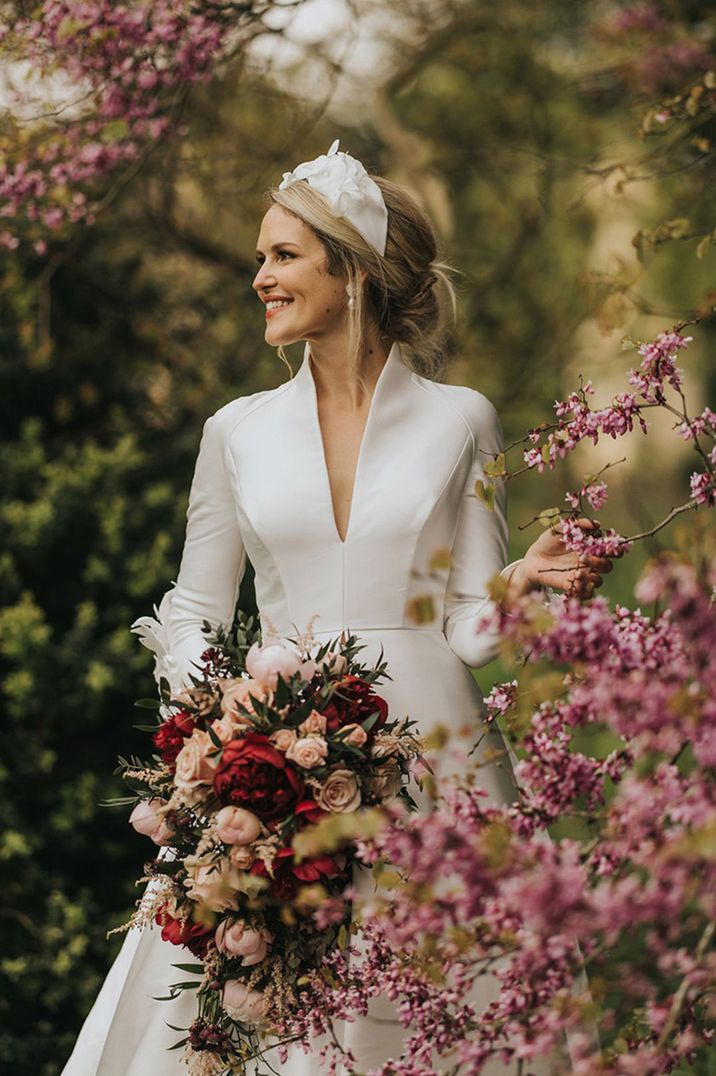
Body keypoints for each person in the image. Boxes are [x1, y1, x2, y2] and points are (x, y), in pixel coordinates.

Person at [61, 140, 610, 1076]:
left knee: (461, 1023)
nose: (259, 277)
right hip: (276, 772)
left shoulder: (461, 418)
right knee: (267, 1023)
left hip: (444, 774)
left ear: (350, 268)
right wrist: (226, 714)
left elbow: (470, 631)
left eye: (283, 255)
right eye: (260, 257)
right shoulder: (233, 432)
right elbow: (193, 607)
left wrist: (520, 589)